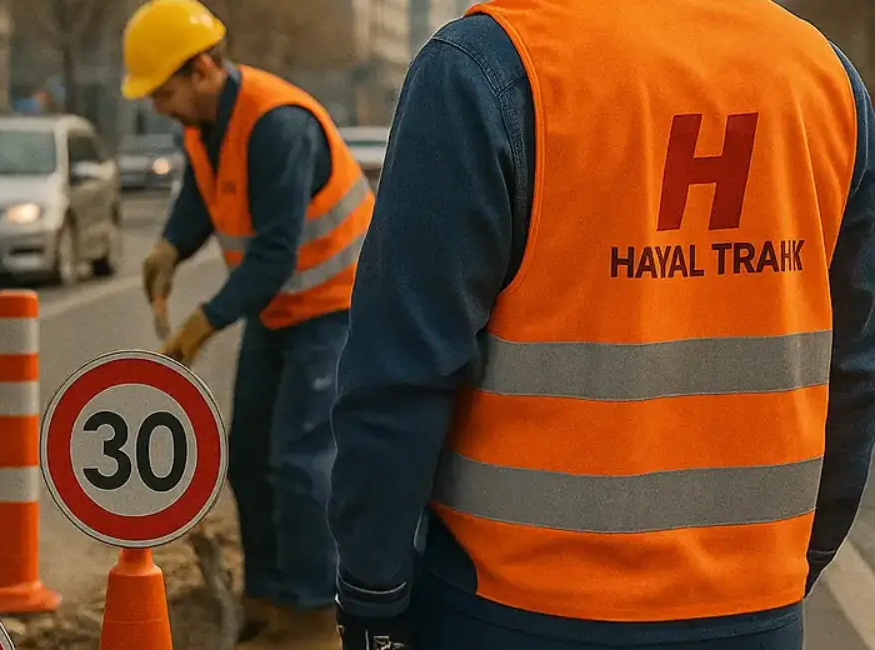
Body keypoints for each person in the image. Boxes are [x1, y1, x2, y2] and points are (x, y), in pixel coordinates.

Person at [328, 0, 875, 648]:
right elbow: (853, 365)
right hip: (754, 611)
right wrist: (787, 569)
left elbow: (401, 371)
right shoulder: (823, 76)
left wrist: (373, 594)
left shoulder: (489, 68)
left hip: (513, 609)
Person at [120, 1, 375, 648]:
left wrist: (204, 323)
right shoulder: (203, 123)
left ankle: (317, 618)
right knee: (250, 456)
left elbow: (273, 252)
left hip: (334, 306)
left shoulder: (277, 125)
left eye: (164, 90)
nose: (158, 105)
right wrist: (171, 246)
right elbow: (200, 196)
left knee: (299, 462)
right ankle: (267, 602)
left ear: (203, 68)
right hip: (279, 307)